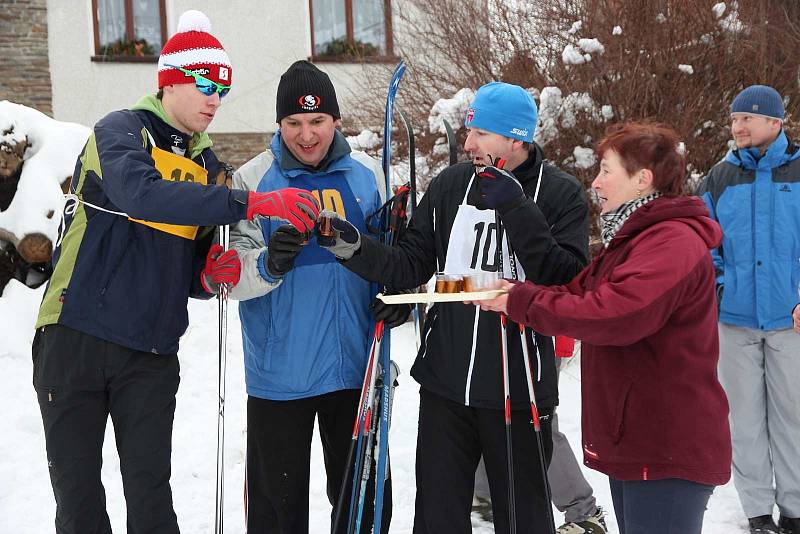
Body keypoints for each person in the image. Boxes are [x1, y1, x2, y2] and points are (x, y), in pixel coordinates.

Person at [31, 12, 319, 534]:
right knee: (79, 498)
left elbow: (191, 271)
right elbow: (142, 193)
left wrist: (210, 276)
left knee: (151, 497)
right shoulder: (118, 131)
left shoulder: (210, 168)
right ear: (169, 80)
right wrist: (250, 201)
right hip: (75, 333)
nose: (215, 99)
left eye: (224, 89)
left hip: (150, 349)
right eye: (206, 84)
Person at [317, 81, 590, 534]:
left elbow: (565, 278)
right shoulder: (451, 184)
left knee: (523, 517)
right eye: (469, 132)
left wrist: (515, 206)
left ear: (515, 139)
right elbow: (410, 265)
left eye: (480, 134)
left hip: (517, 388)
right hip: (447, 383)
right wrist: (352, 248)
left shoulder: (559, 193)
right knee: (437, 518)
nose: (468, 144)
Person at [475, 122, 732, 534]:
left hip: (666, 444)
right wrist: (514, 293)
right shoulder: (632, 240)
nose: (595, 183)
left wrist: (524, 302)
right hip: (638, 439)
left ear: (642, 179)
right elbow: (575, 288)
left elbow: (614, 314)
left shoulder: (672, 243)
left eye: (607, 171)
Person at [222, 60, 402, 534]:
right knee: (277, 515)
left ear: (336, 121)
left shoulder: (368, 177)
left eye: (317, 121)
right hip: (280, 376)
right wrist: (268, 263)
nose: (306, 135)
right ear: (279, 124)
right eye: (294, 123)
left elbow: (395, 256)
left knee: (363, 509)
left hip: (353, 372)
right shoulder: (251, 181)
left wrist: (400, 295)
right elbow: (226, 275)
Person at [698, 84, 800, 534]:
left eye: (747, 119)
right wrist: (721, 290)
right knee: (744, 421)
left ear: (775, 123)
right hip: (735, 321)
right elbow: (704, 244)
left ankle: (795, 511)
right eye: (735, 118)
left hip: (791, 321)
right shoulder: (719, 178)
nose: (738, 127)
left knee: (793, 416)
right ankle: (758, 513)